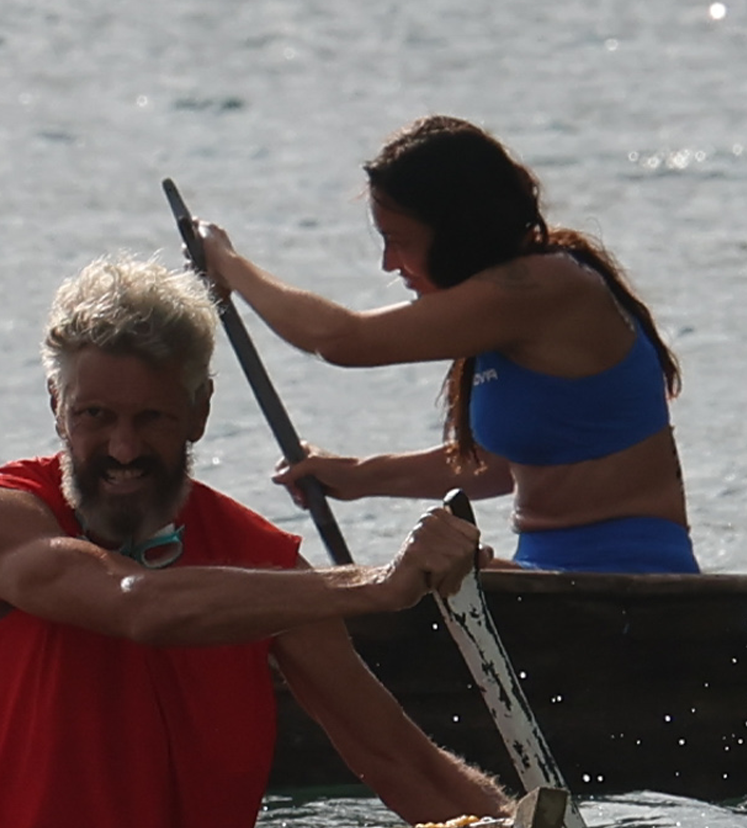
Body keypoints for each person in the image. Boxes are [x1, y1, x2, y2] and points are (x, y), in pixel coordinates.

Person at [0, 258, 510, 828]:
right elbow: (136, 602)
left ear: (199, 410)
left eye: (152, 418)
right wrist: (375, 586)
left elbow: (398, 760)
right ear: (56, 406)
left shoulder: (262, 563)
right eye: (96, 415)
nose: (124, 448)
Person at [188, 115, 697, 574]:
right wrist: (358, 475)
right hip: (548, 571)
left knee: (410, 582)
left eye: (400, 240)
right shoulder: (506, 308)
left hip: (633, 578)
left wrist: (227, 263)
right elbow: (495, 467)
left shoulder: (547, 287)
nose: (389, 263)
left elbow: (343, 340)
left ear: (458, 231)